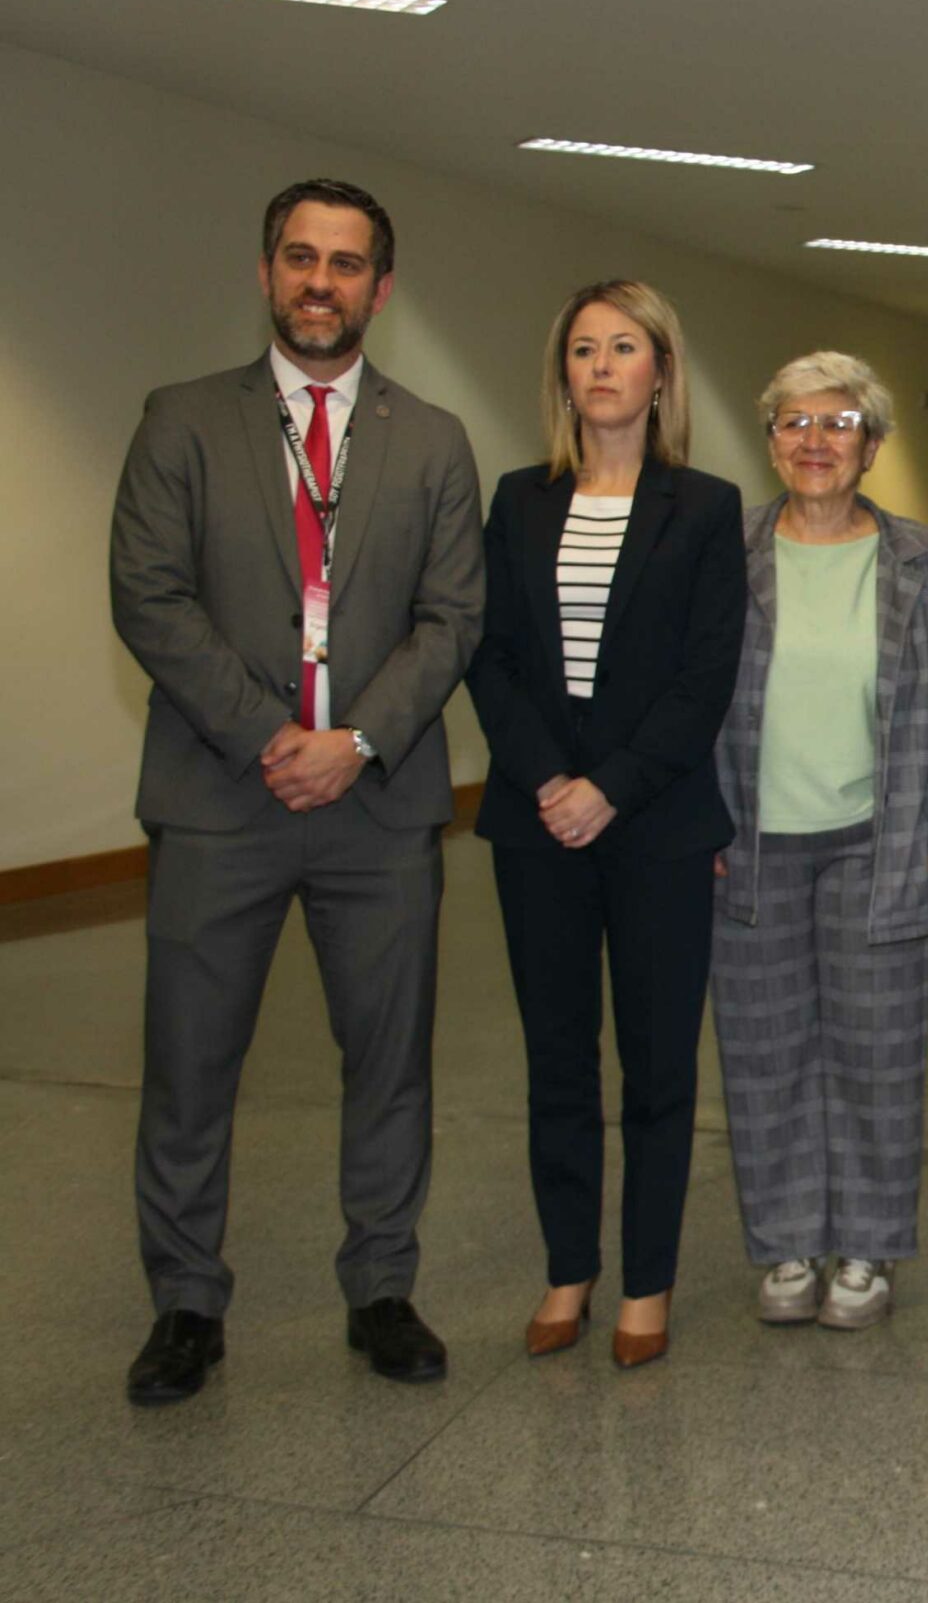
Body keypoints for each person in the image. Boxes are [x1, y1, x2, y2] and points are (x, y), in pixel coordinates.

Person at [110, 177, 484, 1404]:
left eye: (346, 263)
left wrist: (356, 740)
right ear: (267, 271)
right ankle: (184, 1304)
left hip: (379, 808)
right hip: (220, 799)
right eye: (300, 258)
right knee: (189, 1064)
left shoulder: (432, 439)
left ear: (382, 287)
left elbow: (452, 617)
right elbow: (148, 595)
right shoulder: (181, 420)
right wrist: (270, 735)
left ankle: (381, 1288)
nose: (321, 282)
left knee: (389, 1061)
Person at [465, 279, 746, 1369]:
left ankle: (646, 1283)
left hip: (657, 823)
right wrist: (550, 780)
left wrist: (610, 787)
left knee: (659, 1067)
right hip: (536, 822)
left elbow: (703, 677)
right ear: (564, 374)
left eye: (623, 348)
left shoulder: (705, 507)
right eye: (583, 349)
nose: (601, 367)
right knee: (557, 1059)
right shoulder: (518, 500)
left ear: (660, 371)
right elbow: (489, 656)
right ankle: (568, 1268)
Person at [711, 352, 928, 1332]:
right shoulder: (725, 552)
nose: (815, 441)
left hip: (879, 838)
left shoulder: (919, 560)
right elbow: (684, 689)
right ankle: (786, 1243)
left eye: (839, 424)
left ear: (872, 445)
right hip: (748, 843)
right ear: (770, 439)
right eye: (795, 422)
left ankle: (866, 1246)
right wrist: (696, 817)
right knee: (763, 1051)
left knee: (877, 1054)